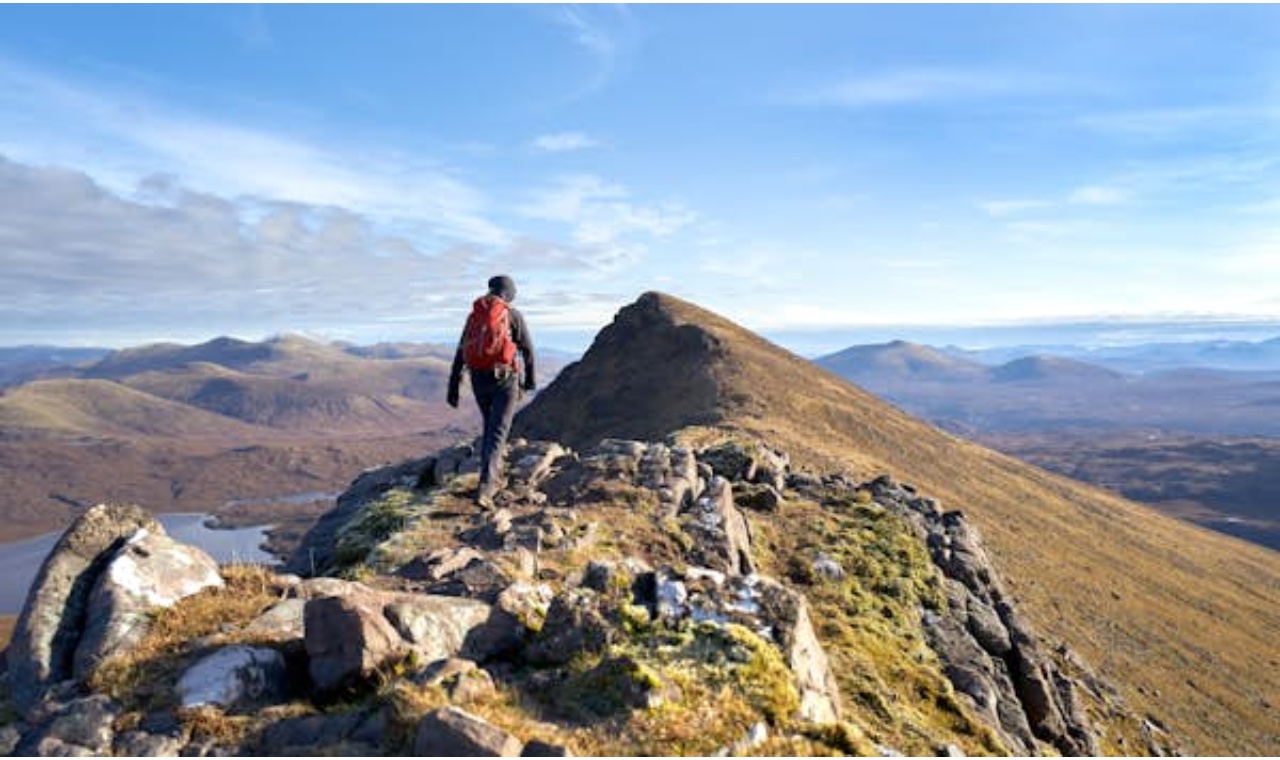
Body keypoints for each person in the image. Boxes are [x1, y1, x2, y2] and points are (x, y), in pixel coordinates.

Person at [446, 275, 537, 508]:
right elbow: (527, 350)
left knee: (491, 426)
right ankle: (487, 488)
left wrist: (453, 387)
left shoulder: (474, 316)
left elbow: (460, 352)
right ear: (508, 293)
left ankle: (490, 474)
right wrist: (530, 381)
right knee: (498, 432)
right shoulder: (512, 315)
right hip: (504, 379)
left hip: (479, 378)